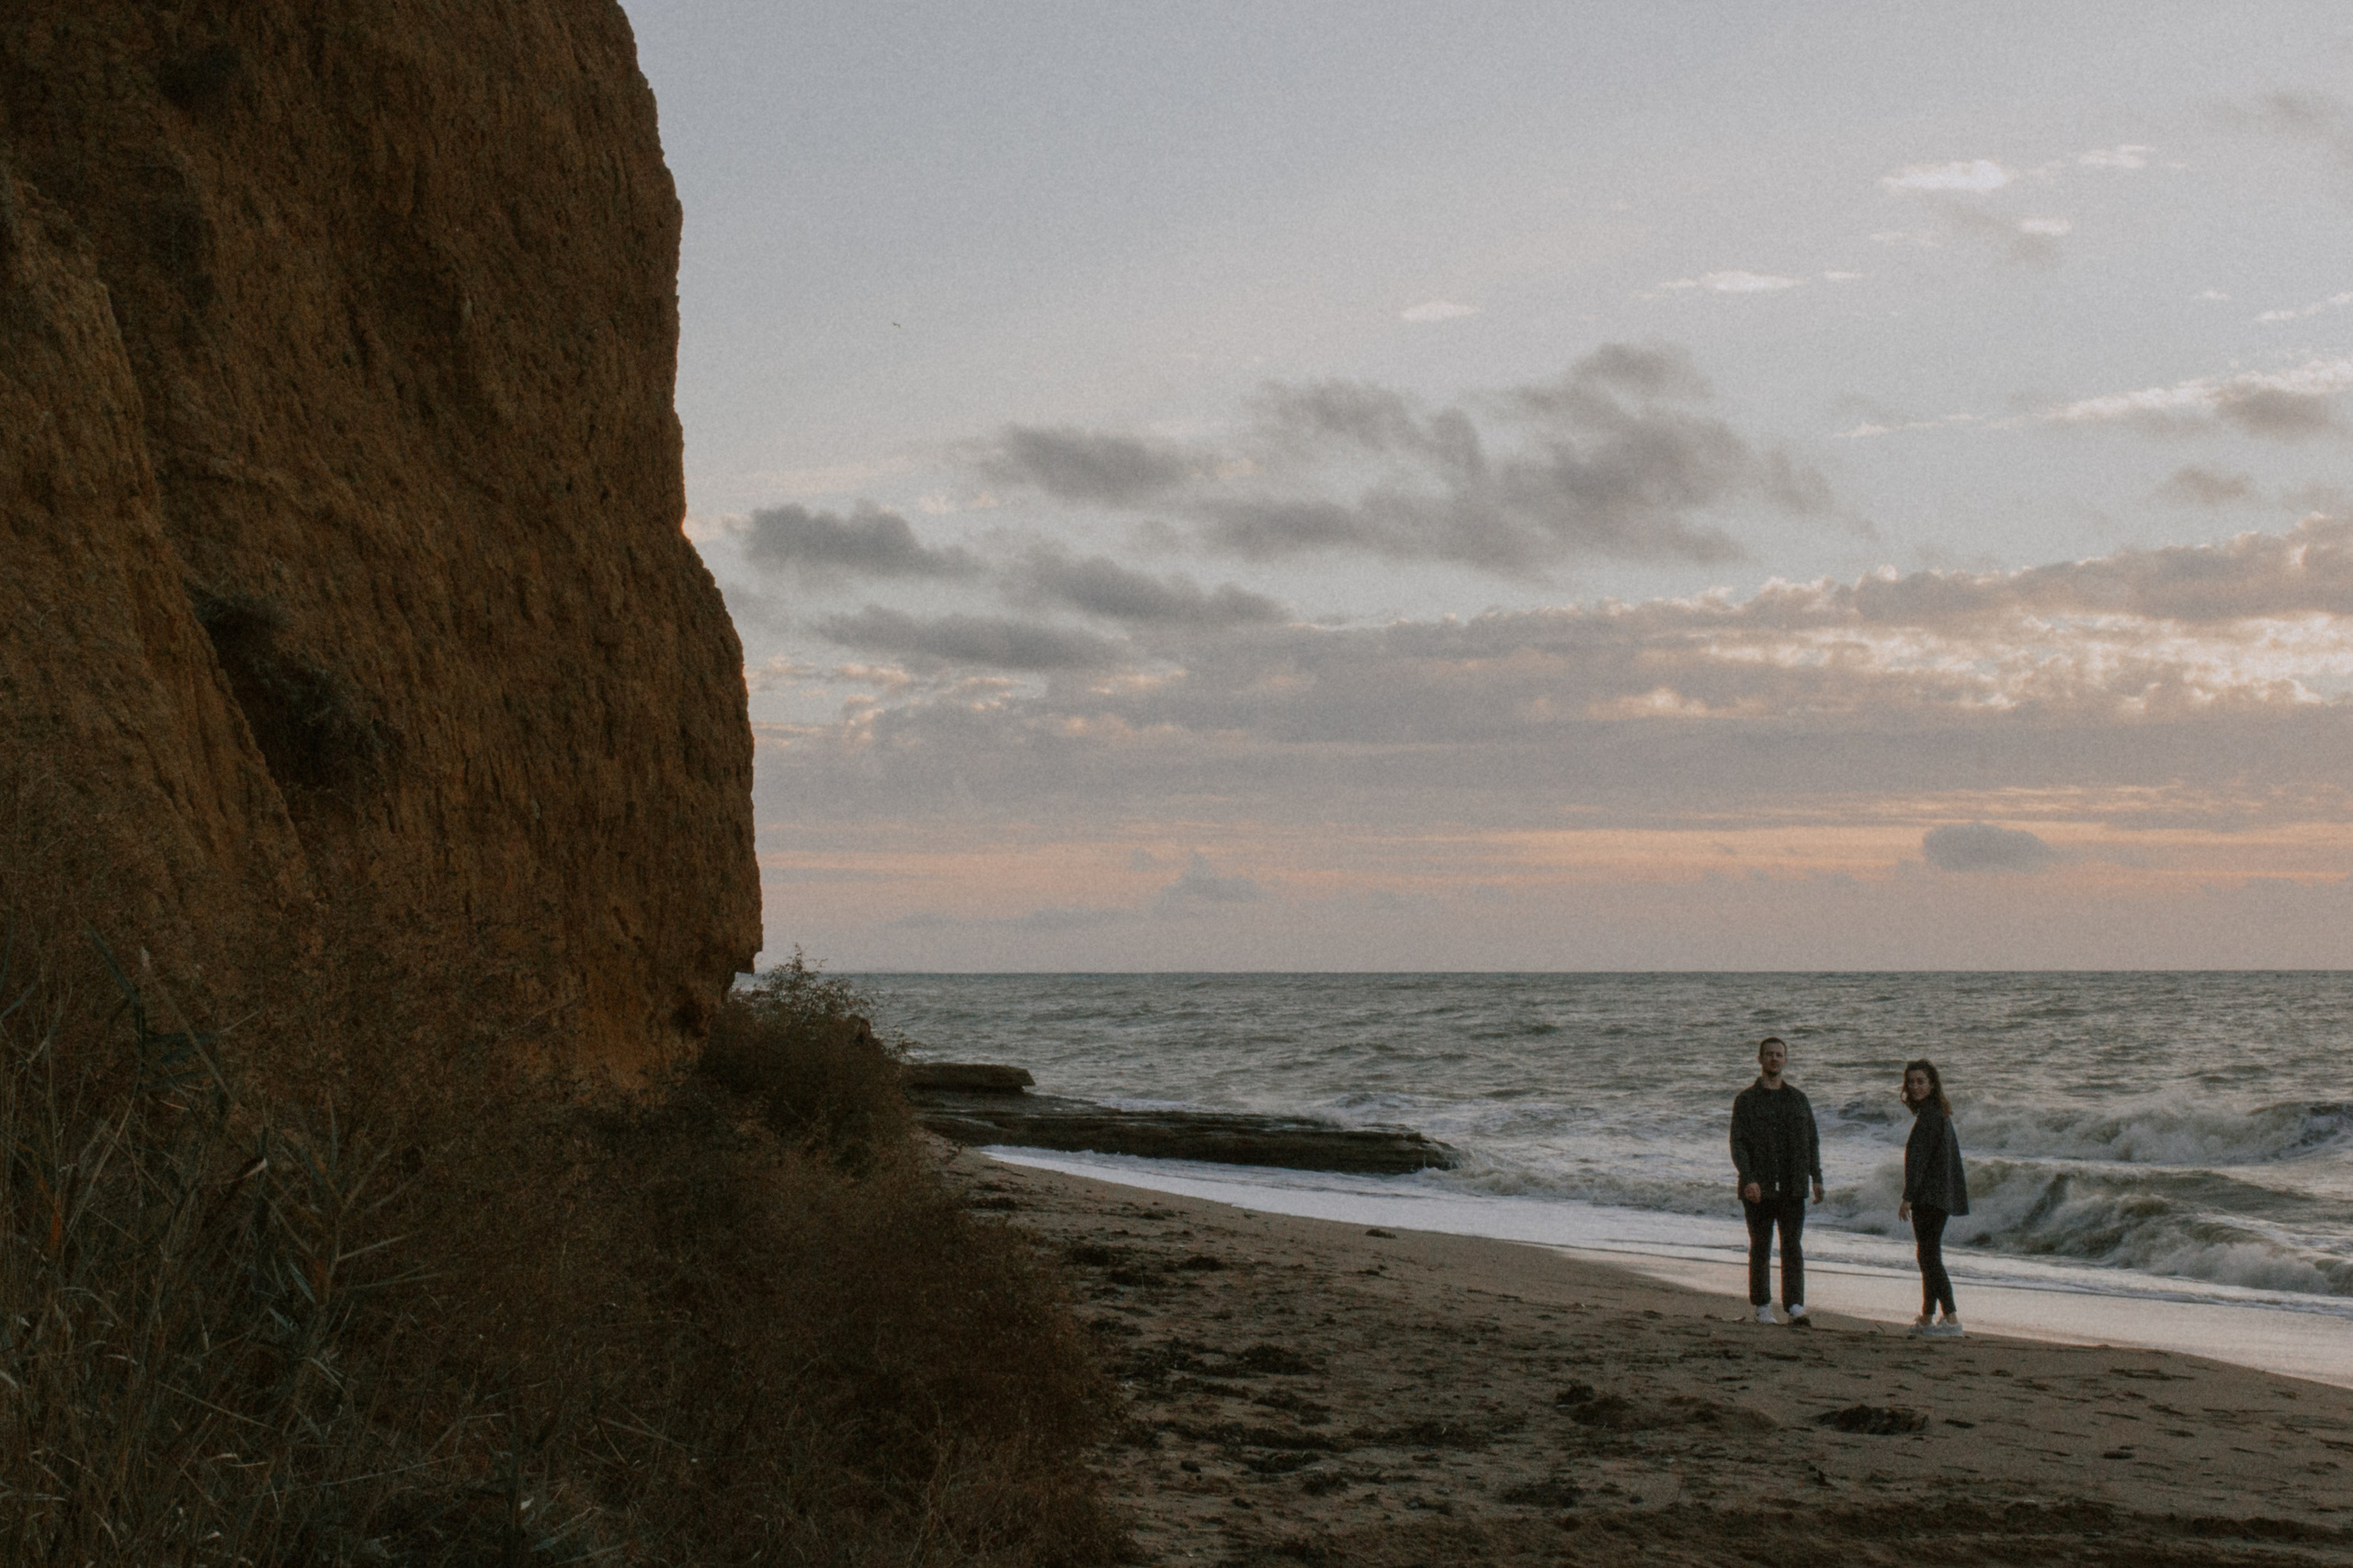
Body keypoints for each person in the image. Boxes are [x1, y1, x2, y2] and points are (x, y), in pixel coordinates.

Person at [1729, 1036, 1824, 1325]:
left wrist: (1816, 1178)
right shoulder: (1746, 1100)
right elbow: (1738, 1143)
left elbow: (1811, 1140)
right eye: (1769, 1054)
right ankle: (1762, 1307)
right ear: (1759, 1059)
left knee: (1792, 1246)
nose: (1774, 1059)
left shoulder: (1798, 1099)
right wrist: (1748, 1179)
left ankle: (1795, 1305)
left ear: (1786, 1060)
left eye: (1779, 1054)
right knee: (1760, 1246)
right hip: (1758, 1187)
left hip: (1793, 1187)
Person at [1897, 1058, 1969, 1338]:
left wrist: (1908, 1197)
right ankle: (1927, 1318)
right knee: (1927, 1255)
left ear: (1932, 1083)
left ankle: (1951, 1319)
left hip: (1932, 1197)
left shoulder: (1931, 1116)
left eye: (1921, 1081)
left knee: (1929, 1256)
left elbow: (1920, 1162)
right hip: (1939, 1195)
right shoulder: (1936, 1113)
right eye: (1911, 1082)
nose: (1915, 1087)